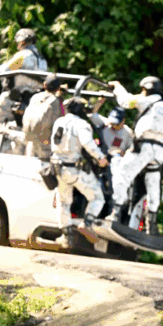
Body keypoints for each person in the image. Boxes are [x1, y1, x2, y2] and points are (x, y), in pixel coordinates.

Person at [105, 77, 163, 236]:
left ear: (145, 88)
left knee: (122, 175)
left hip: (143, 146)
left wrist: (117, 86)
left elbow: (125, 101)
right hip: (159, 151)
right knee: (153, 186)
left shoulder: (145, 100)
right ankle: (153, 225)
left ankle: (115, 212)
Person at [0, 28, 48, 150]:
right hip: (31, 101)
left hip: (13, 97)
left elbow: (4, 70)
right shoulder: (42, 60)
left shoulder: (23, 56)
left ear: (23, 42)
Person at [50, 97, 109, 247]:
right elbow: (88, 143)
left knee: (63, 202)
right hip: (74, 168)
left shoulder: (59, 121)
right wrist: (101, 158)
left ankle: (66, 236)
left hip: (57, 167)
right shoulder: (81, 124)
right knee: (97, 197)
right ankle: (87, 223)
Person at [14, 73, 65, 160]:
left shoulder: (35, 97)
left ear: (44, 85)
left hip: (30, 138)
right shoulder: (56, 102)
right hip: (45, 142)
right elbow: (61, 121)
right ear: (58, 88)